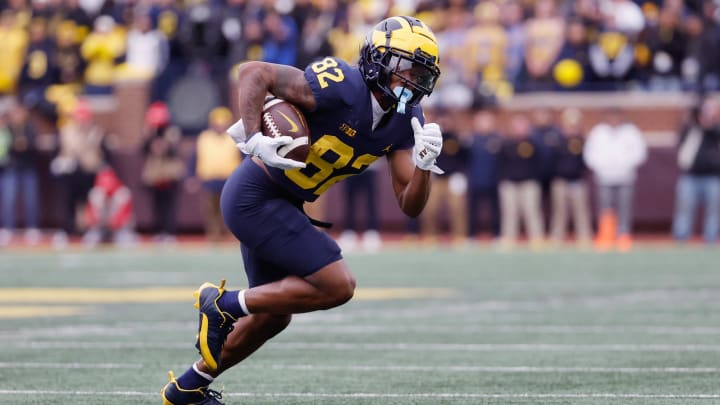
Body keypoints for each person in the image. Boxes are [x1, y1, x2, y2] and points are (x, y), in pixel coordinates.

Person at [161, 15, 443, 404]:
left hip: (285, 203)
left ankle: (188, 388)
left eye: (421, 74)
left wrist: (425, 167)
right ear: (378, 59)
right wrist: (253, 137)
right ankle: (223, 304)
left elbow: (409, 205)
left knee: (275, 315)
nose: (413, 81)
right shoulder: (342, 84)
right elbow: (253, 72)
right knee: (338, 284)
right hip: (255, 196)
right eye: (406, 69)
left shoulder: (406, 119)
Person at [584, 108, 647, 251]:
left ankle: (623, 235)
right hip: (604, 177)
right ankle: (606, 234)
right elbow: (590, 153)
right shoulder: (598, 132)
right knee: (605, 207)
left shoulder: (631, 132)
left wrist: (626, 165)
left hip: (625, 177)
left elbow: (639, 152)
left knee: (624, 207)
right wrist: (601, 167)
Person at [672, 98, 720, 244]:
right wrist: (692, 121)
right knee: (685, 209)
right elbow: (681, 140)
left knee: (713, 210)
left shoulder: (715, 131)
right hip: (691, 176)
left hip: (713, 176)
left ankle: (711, 238)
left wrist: (709, 125)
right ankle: (681, 238)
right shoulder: (691, 129)